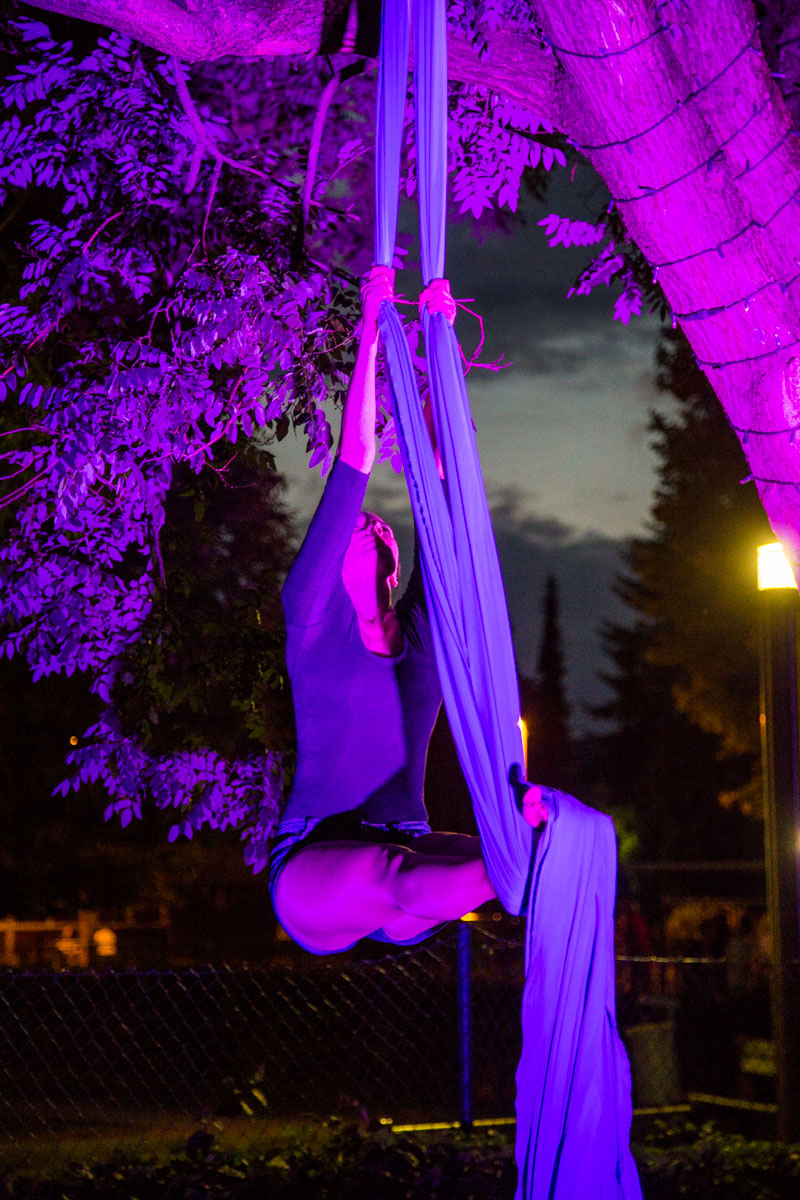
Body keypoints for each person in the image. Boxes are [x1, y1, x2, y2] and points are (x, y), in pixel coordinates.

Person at [269, 266, 544, 955]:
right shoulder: (312, 619)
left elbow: (446, 495)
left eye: (379, 526)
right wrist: (374, 332)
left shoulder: (423, 635)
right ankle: (516, 874)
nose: (369, 522)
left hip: (405, 849)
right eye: (356, 526)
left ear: (394, 564)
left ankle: (521, 871)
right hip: (319, 860)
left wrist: (438, 371)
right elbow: (355, 462)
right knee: (415, 869)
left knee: (453, 861)